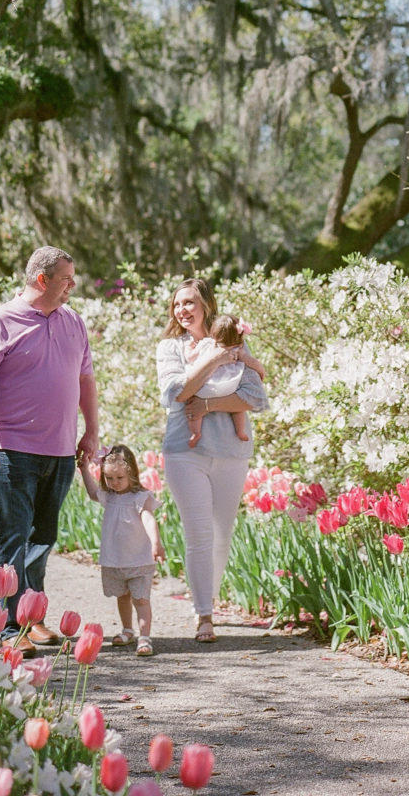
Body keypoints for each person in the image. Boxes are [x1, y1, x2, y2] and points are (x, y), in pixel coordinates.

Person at [0, 245, 99, 655]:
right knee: (11, 541)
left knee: (42, 538)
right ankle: (11, 629)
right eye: (66, 279)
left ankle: (33, 617)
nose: (72, 286)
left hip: (59, 451)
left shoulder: (74, 322)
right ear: (41, 280)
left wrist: (91, 431)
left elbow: (86, 380)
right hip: (12, 451)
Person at [155, 277, 268, 643]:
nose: (182, 310)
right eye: (177, 304)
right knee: (199, 534)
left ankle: (209, 599)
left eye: (189, 302)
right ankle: (204, 614)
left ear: (205, 304)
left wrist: (206, 404)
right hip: (184, 452)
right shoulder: (170, 349)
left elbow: (254, 396)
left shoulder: (236, 340)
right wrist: (214, 360)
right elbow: (174, 394)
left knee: (222, 535)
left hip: (231, 453)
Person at [78, 442, 165, 656]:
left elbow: (148, 519)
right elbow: (91, 492)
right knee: (122, 597)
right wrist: (83, 468)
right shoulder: (109, 497)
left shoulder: (139, 498)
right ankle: (127, 630)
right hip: (115, 559)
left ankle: (144, 637)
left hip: (139, 559)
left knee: (141, 599)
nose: (114, 483)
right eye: (109, 478)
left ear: (132, 474)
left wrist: (156, 542)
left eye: (119, 478)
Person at [185, 313, 266, 446]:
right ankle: (240, 431)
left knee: (193, 404)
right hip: (230, 386)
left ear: (214, 335)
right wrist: (261, 372)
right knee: (237, 408)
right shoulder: (238, 349)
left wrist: (189, 348)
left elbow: (191, 357)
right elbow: (253, 363)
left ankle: (196, 432)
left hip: (208, 386)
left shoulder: (207, 344)